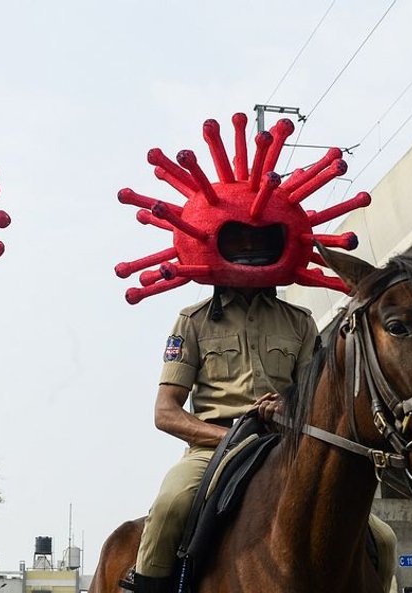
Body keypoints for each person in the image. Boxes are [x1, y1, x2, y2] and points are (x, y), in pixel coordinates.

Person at [129, 225, 320, 593]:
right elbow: (165, 412)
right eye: (237, 237)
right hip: (212, 449)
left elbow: (316, 402)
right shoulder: (193, 321)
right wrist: (228, 438)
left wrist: (289, 405)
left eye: (259, 236)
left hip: (286, 446)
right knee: (170, 505)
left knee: (382, 537)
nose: (249, 245)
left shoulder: (300, 322)